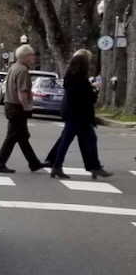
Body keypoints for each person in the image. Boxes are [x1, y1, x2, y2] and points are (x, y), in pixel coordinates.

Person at [45, 49, 112, 180]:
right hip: (80, 116)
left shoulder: (70, 77)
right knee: (86, 140)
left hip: (72, 114)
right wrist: (95, 90)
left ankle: (61, 166)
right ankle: (93, 167)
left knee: (67, 140)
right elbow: (88, 98)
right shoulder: (81, 80)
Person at [0, 44, 45, 175]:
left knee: (22, 137)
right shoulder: (22, 70)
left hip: (10, 105)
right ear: (26, 56)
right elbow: (22, 92)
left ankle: (34, 162)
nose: (33, 57)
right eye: (32, 55)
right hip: (17, 107)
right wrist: (27, 107)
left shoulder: (14, 67)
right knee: (11, 137)